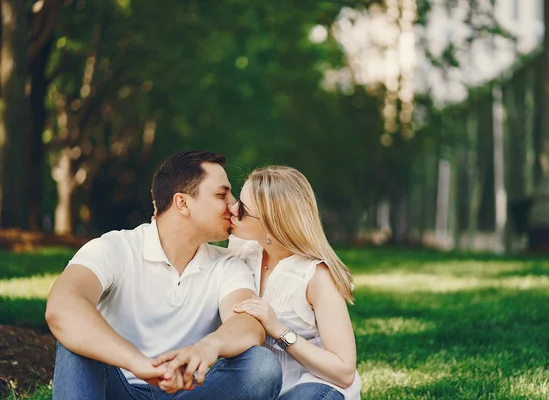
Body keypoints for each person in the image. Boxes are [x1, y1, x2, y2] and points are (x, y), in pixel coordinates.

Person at [45, 150, 282, 400]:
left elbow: (249, 326)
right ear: (182, 203)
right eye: (222, 194)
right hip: (118, 388)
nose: (234, 205)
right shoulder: (115, 248)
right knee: (76, 340)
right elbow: (62, 307)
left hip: (187, 394)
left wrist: (205, 348)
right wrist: (139, 364)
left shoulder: (228, 265)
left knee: (261, 365)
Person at [227, 166, 362, 400]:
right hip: (262, 384)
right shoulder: (243, 251)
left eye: (243, 210)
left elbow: (344, 371)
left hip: (317, 384)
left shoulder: (316, 276)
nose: (232, 209)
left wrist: (277, 329)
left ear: (272, 224)